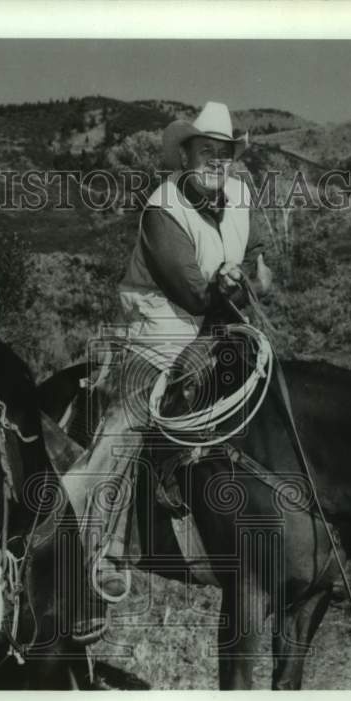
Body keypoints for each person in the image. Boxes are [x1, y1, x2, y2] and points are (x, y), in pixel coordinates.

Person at [64, 101, 272, 642]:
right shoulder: (162, 208)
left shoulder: (242, 195)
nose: (215, 161)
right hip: (161, 326)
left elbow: (260, 263)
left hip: (223, 325)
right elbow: (192, 293)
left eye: (223, 153)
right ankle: (95, 555)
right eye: (206, 151)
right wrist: (230, 285)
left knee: (277, 392)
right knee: (128, 423)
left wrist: (246, 277)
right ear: (185, 155)